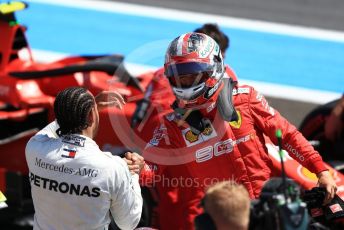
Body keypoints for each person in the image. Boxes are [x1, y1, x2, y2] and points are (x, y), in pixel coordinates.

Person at [131, 32, 337, 229]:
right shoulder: (172, 125)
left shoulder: (246, 99)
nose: (185, 82)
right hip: (223, 219)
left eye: (192, 75)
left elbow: (287, 135)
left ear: (214, 67)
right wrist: (138, 167)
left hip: (266, 211)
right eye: (179, 76)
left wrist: (320, 170)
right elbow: (151, 171)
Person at [25, 87, 143, 230]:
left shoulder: (35, 148)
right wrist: (133, 174)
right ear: (91, 116)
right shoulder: (113, 167)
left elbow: (54, 126)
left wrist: (87, 108)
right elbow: (128, 223)